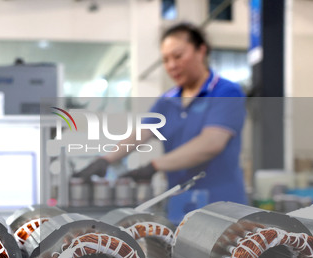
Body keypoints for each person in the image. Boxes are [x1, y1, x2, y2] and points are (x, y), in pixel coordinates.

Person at [76, 22, 247, 208]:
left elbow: (211, 143)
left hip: (221, 203)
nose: (172, 65)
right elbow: (140, 134)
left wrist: (154, 166)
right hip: (180, 203)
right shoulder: (167, 100)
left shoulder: (225, 92)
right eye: (165, 60)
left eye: (178, 56)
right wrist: (105, 160)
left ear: (201, 51)